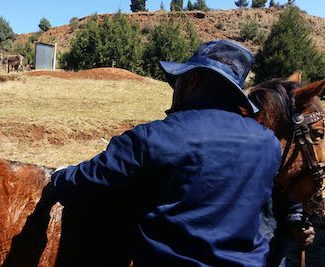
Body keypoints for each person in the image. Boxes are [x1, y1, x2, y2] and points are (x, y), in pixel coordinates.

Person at [40, 39, 282, 266]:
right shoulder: (269, 144)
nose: (175, 89)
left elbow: (91, 180)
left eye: (177, 81)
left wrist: (59, 177)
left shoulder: (155, 137)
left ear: (193, 80)